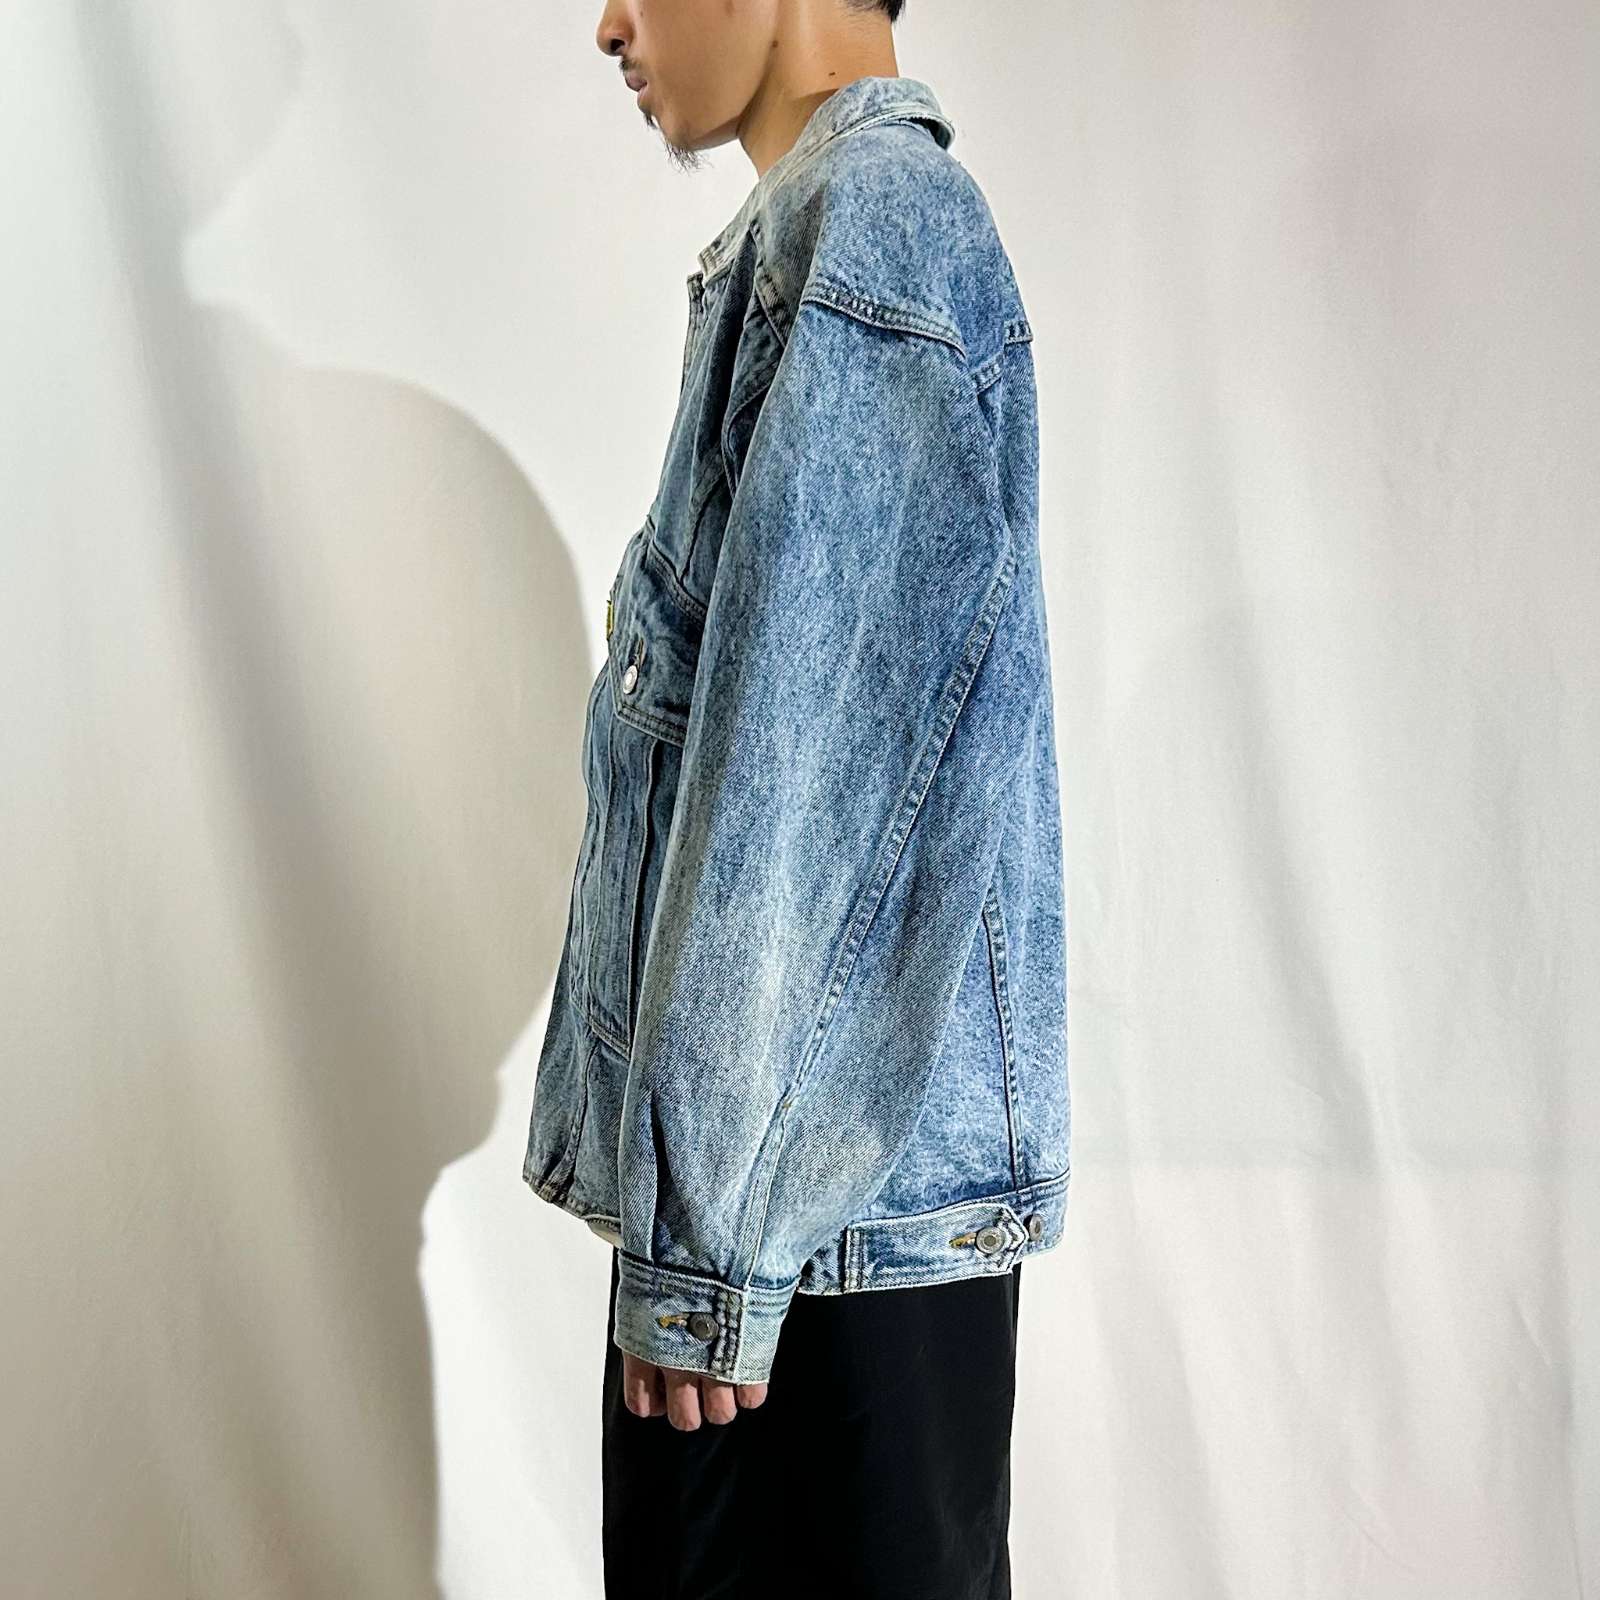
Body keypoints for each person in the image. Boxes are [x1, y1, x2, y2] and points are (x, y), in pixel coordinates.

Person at [523, 4, 1071, 1594]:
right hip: (798, 1216)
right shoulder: (830, 237)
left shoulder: (875, 231)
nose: (610, 24)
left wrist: (704, 1246)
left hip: (801, 1250)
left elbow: (803, 787)